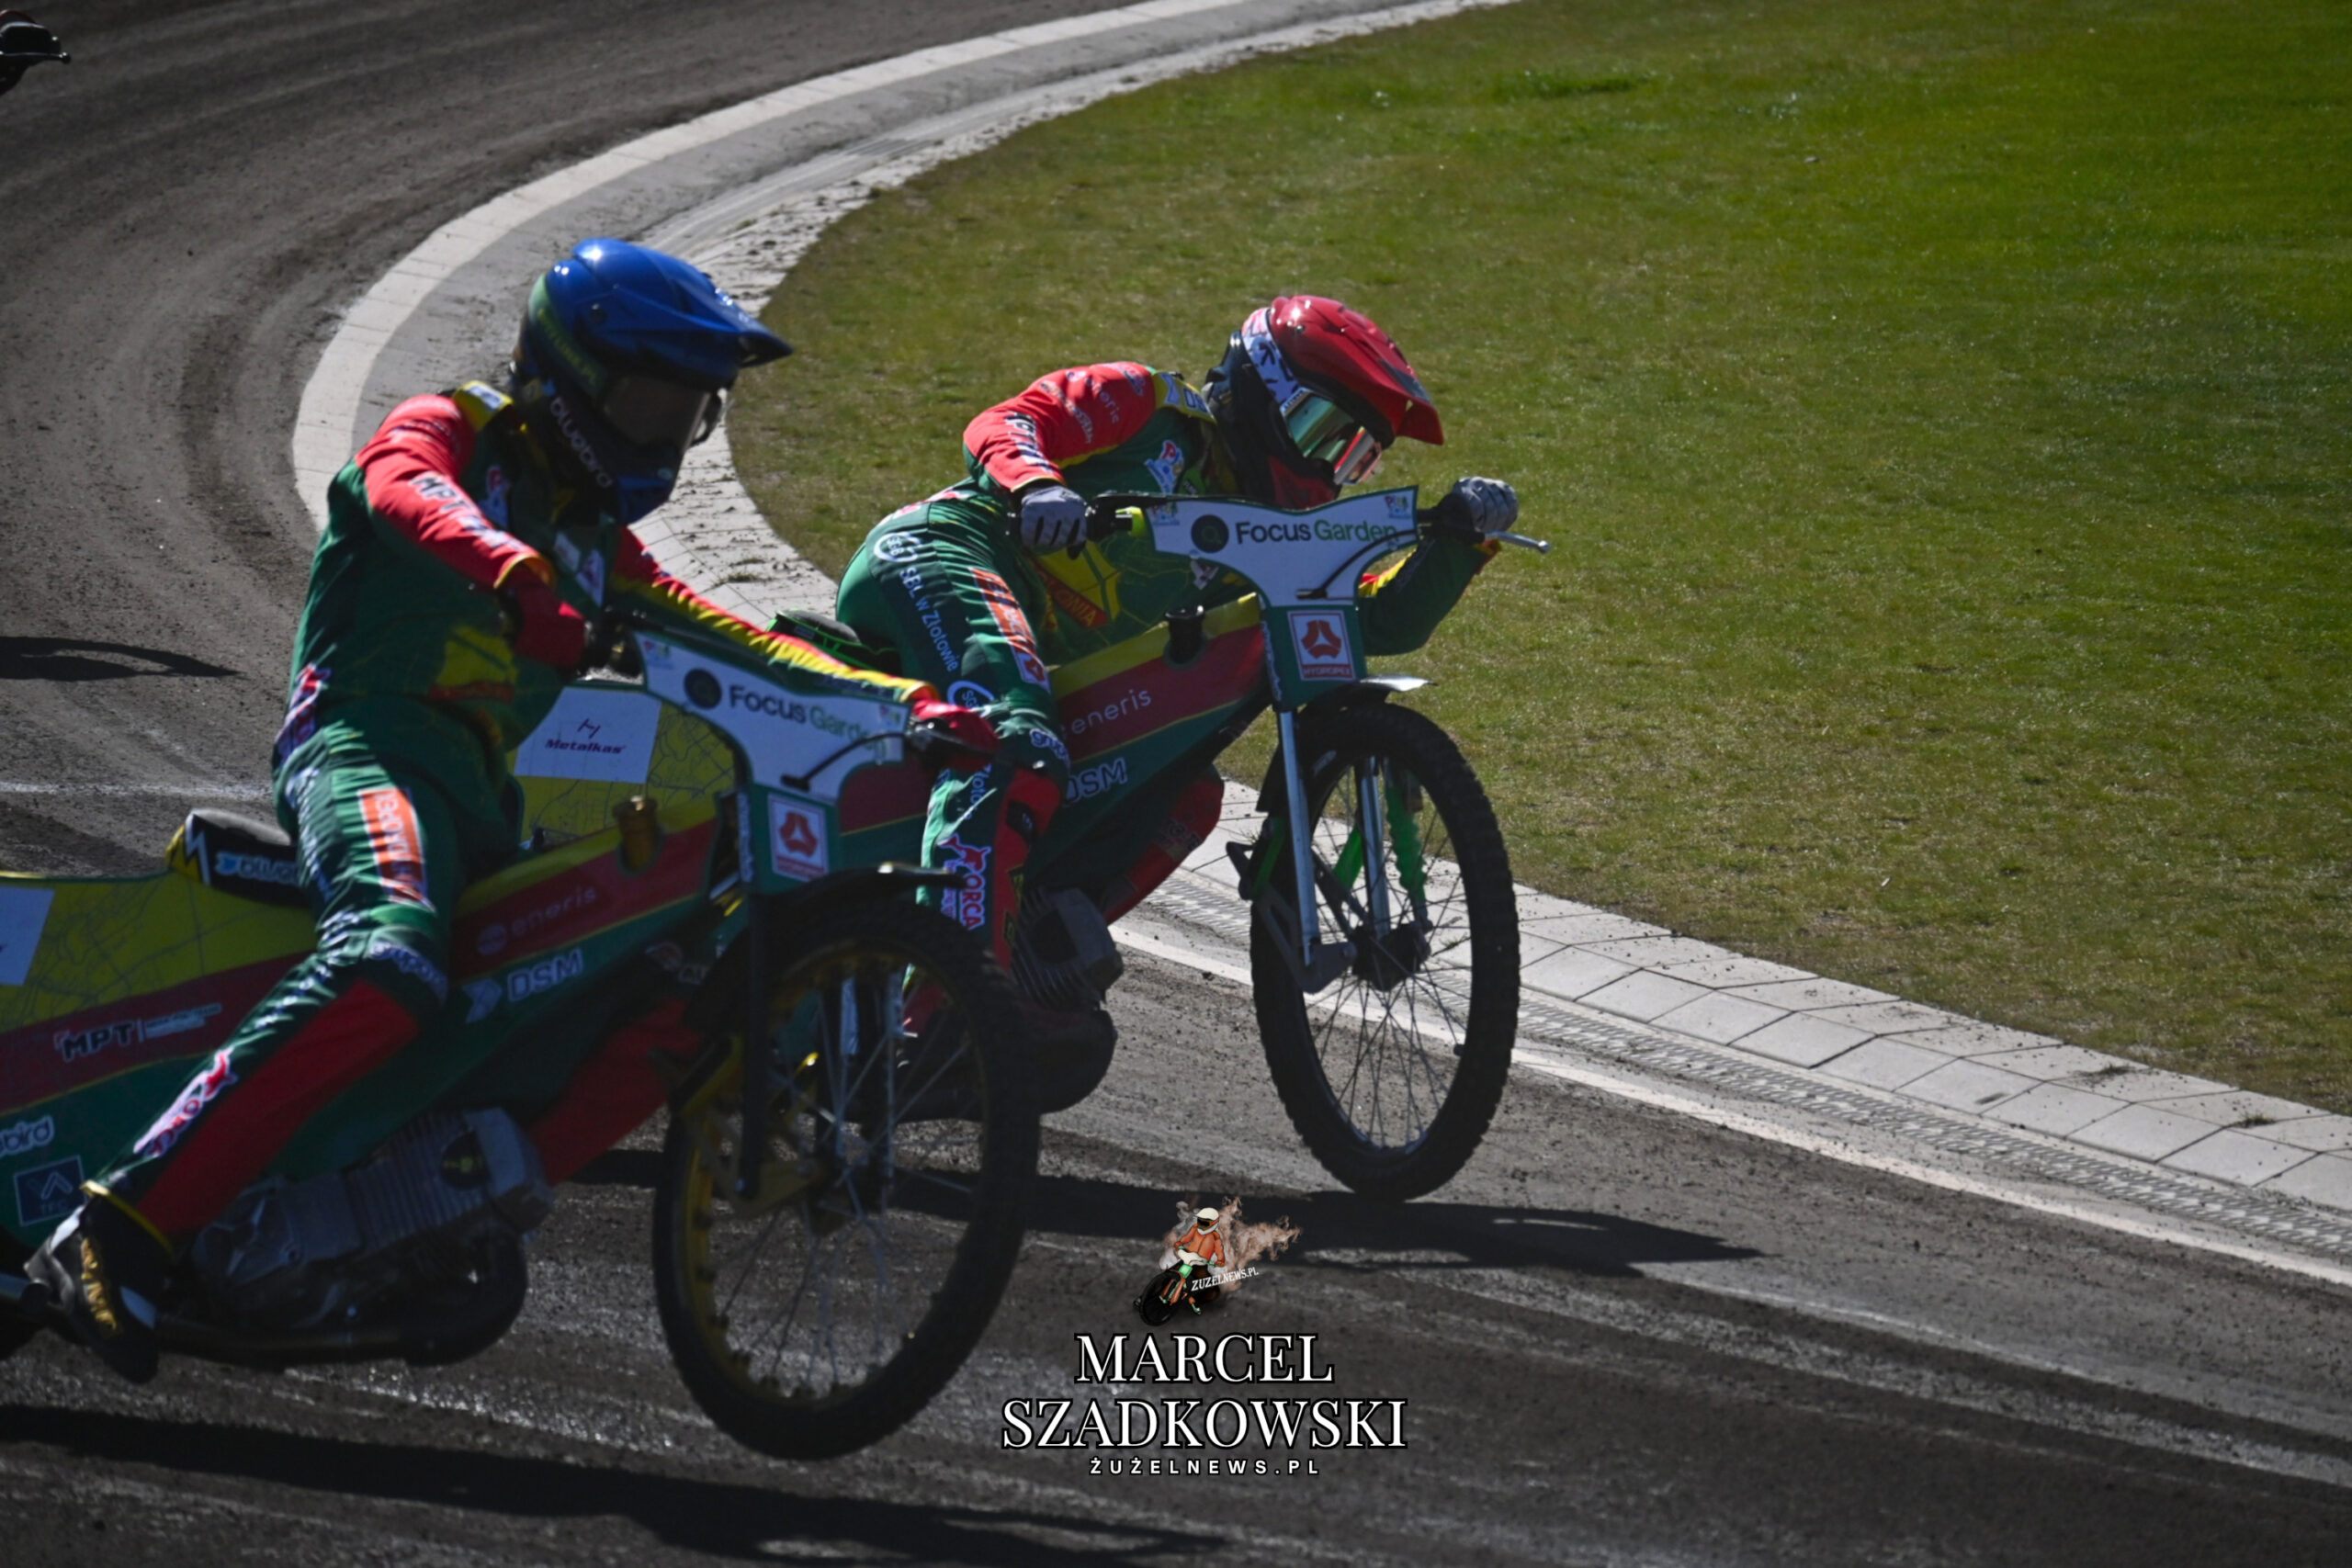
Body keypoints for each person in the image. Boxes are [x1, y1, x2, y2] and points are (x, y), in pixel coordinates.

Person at [28, 239, 976, 1382]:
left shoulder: (595, 542)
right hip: (361, 756)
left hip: (484, 809)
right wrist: (512, 572)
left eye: (689, 412)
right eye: (651, 401)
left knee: (668, 992)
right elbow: (403, 490)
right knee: (388, 954)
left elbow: (733, 639)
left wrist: (909, 703)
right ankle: (119, 1225)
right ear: (573, 377)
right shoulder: (450, 432)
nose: (665, 435)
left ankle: (429, 1222)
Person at [834, 295, 1521, 1047]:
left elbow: (1380, 619)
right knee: (1017, 739)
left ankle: (1030, 961)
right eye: (1319, 432)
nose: (1328, 471)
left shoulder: (1273, 540)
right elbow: (1011, 422)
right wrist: (1036, 484)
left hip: (1042, 651)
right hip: (945, 556)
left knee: (1188, 795)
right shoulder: (1147, 404)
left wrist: (1458, 543)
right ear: (1262, 390)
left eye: (1353, 455)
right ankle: (946, 994)